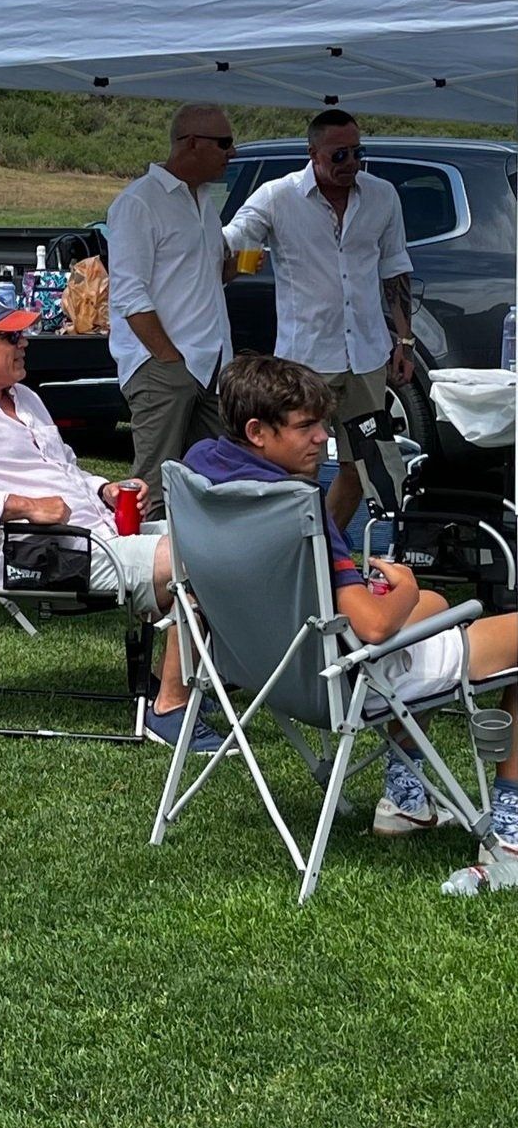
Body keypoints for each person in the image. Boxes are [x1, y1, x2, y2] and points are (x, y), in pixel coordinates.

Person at [185, 357, 518, 873]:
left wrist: (406, 598)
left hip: (262, 665)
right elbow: (377, 627)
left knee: (436, 607)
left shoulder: (204, 469)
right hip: (344, 679)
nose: (323, 439)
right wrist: (401, 588)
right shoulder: (293, 507)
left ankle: (407, 802)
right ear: (257, 431)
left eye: (323, 424)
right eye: (306, 427)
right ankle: (510, 834)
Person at [0, 293, 211, 749]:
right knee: (197, 557)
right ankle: (170, 709)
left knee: (219, 540)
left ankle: (185, 676)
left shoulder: (25, 398)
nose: (25, 343)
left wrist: (104, 488)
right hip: (39, 553)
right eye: (11, 337)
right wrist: (21, 505)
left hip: (93, 537)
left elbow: (65, 468)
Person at [222, 108, 415, 536]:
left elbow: (395, 269)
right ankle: (297, 550)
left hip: (365, 354)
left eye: (357, 153)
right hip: (307, 357)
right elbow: (233, 240)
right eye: (339, 155)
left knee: (362, 462)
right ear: (313, 153)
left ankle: (326, 548)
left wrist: (405, 341)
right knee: (297, 464)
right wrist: (219, 257)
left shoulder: (382, 196)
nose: (350, 164)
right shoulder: (278, 196)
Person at [106, 104, 236, 515]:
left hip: (211, 365)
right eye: (225, 144)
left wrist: (233, 267)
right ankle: (145, 575)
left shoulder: (203, 201)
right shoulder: (139, 203)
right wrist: (169, 359)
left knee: (211, 482)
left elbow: (201, 277)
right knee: (153, 488)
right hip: (165, 366)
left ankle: (199, 573)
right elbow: (129, 295)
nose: (231, 154)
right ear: (191, 143)